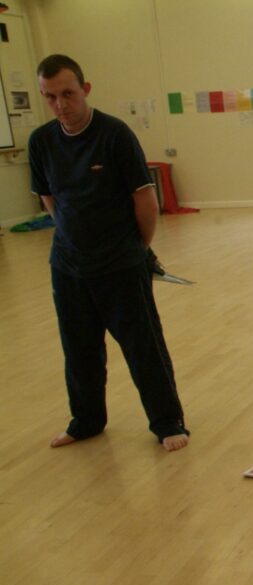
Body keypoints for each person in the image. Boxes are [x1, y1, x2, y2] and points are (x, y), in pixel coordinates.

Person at [29, 54, 189, 452]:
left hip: (121, 264)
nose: (60, 104)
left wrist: (137, 251)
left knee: (143, 346)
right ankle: (86, 421)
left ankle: (167, 423)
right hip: (68, 267)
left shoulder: (115, 135)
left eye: (67, 93)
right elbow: (49, 198)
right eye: (50, 97)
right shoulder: (42, 141)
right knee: (79, 349)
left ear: (85, 89)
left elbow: (146, 203)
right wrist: (72, 235)